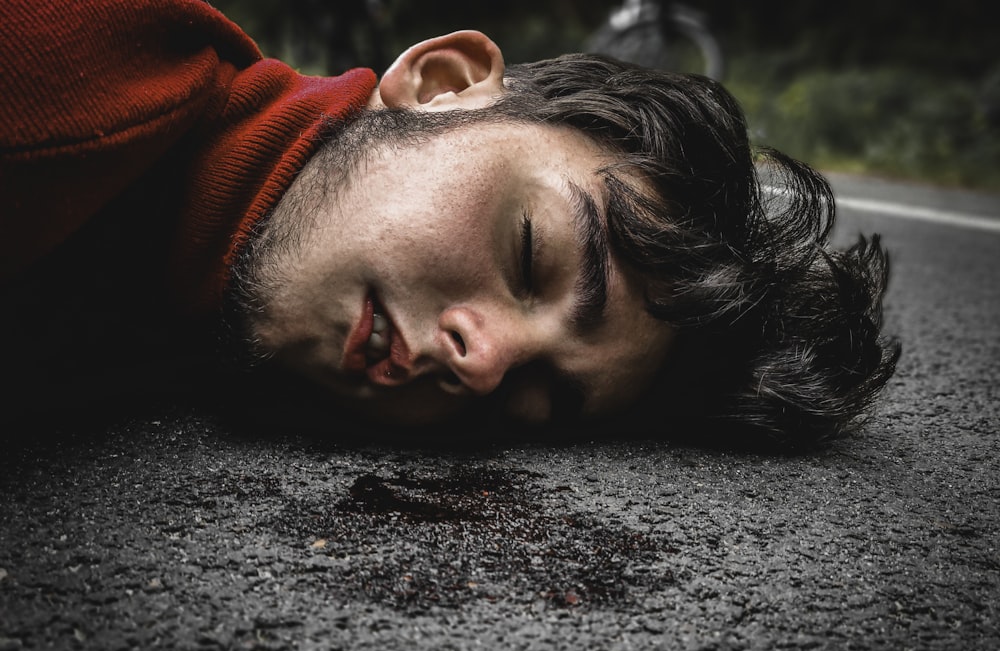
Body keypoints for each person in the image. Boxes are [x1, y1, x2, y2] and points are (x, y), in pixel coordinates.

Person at [0, 0, 899, 449]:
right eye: (529, 254)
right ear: (441, 85)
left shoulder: (186, 284)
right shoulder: (62, 88)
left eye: (536, 402)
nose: (486, 365)